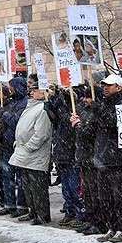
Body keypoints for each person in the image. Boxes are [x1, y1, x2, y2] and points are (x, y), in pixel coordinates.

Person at [92, 74, 122, 243]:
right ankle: (112, 226)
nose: (105, 88)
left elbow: (114, 123)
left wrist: (98, 110)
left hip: (118, 158)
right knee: (105, 197)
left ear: (118, 86)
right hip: (103, 156)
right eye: (103, 85)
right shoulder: (104, 103)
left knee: (120, 197)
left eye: (109, 85)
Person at [9, 81, 53, 225]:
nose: (32, 92)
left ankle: (42, 214)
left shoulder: (43, 109)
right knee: (27, 186)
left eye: (35, 90)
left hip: (35, 155)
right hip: (24, 153)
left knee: (37, 187)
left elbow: (41, 134)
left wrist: (28, 147)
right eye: (31, 90)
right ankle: (32, 211)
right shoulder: (30, 107)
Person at [46, 87, 83, 228]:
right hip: (62, 152)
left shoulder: (73, 109)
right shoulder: (61, 110)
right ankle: (70, 212)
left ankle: (79, 213)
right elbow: (53, 116)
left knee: (74, 186)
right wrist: (49, 101)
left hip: (71, 153)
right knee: (66, 187)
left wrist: (63, 98)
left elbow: (65, 119)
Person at [70, 85, 105, 235]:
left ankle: (99, 221)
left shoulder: (97, 112)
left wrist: (78, 125)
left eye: (88, 97)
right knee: (88, 192)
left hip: (93, 157)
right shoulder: (84, 110)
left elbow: (89, 133)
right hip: (84, 156)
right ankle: (90, 220)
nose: (85, 100)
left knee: (95, 192)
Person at [0, 77, 29, 218]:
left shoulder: (24, 103)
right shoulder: (10, 102)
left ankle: (21, 205)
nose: (10, 90)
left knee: (20, 177)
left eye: (12, 87)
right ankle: (10, 204)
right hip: (6, 144)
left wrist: (5, 114)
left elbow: (17, 121)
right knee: (7, 176)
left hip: (18, 144)